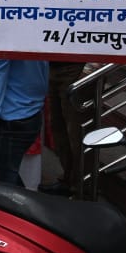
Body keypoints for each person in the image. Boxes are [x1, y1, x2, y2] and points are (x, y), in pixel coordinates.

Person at [0, 58, 50, 187]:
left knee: (0, 186)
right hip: (29, 111)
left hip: (8, 118)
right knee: (6, 179)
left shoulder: (0, 39)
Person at [40, 60, 89, 196]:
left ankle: (83, 187)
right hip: (54, 65)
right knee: (58, 129)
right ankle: (68, 180)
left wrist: (91, 68)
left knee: (77, 132)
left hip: (78, 68)